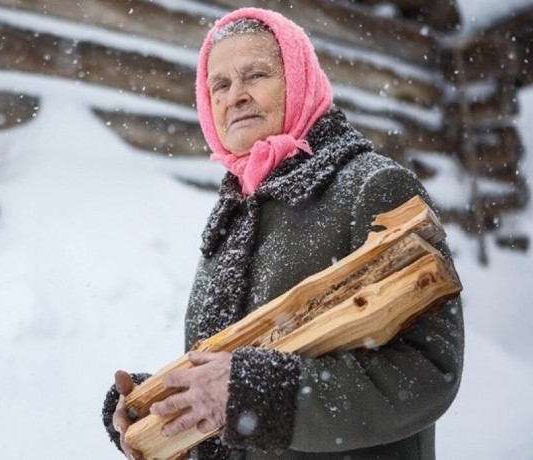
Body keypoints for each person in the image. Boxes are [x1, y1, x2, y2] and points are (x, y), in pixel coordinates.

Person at [102, 7, 463, 460]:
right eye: (220, 84)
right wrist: (160, 407)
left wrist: (257, 396)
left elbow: (429, 372)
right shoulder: (233, 217)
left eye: (255, 75)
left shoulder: (372, 188)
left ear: (299, 78)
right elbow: (233, 381)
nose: (236, 96)